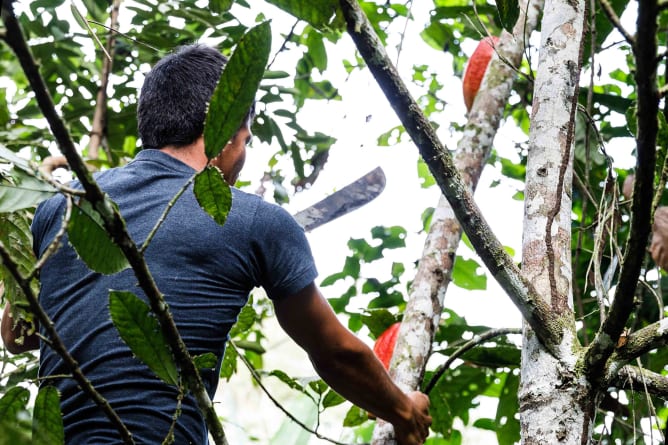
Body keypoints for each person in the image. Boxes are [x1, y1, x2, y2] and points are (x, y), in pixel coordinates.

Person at [1, 44, 432, 444]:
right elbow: (335, 352)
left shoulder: (63, 205)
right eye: (245, 140)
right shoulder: (256, 220)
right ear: (225, 127)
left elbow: (15, 336)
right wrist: (402, 409)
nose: (242, 161)